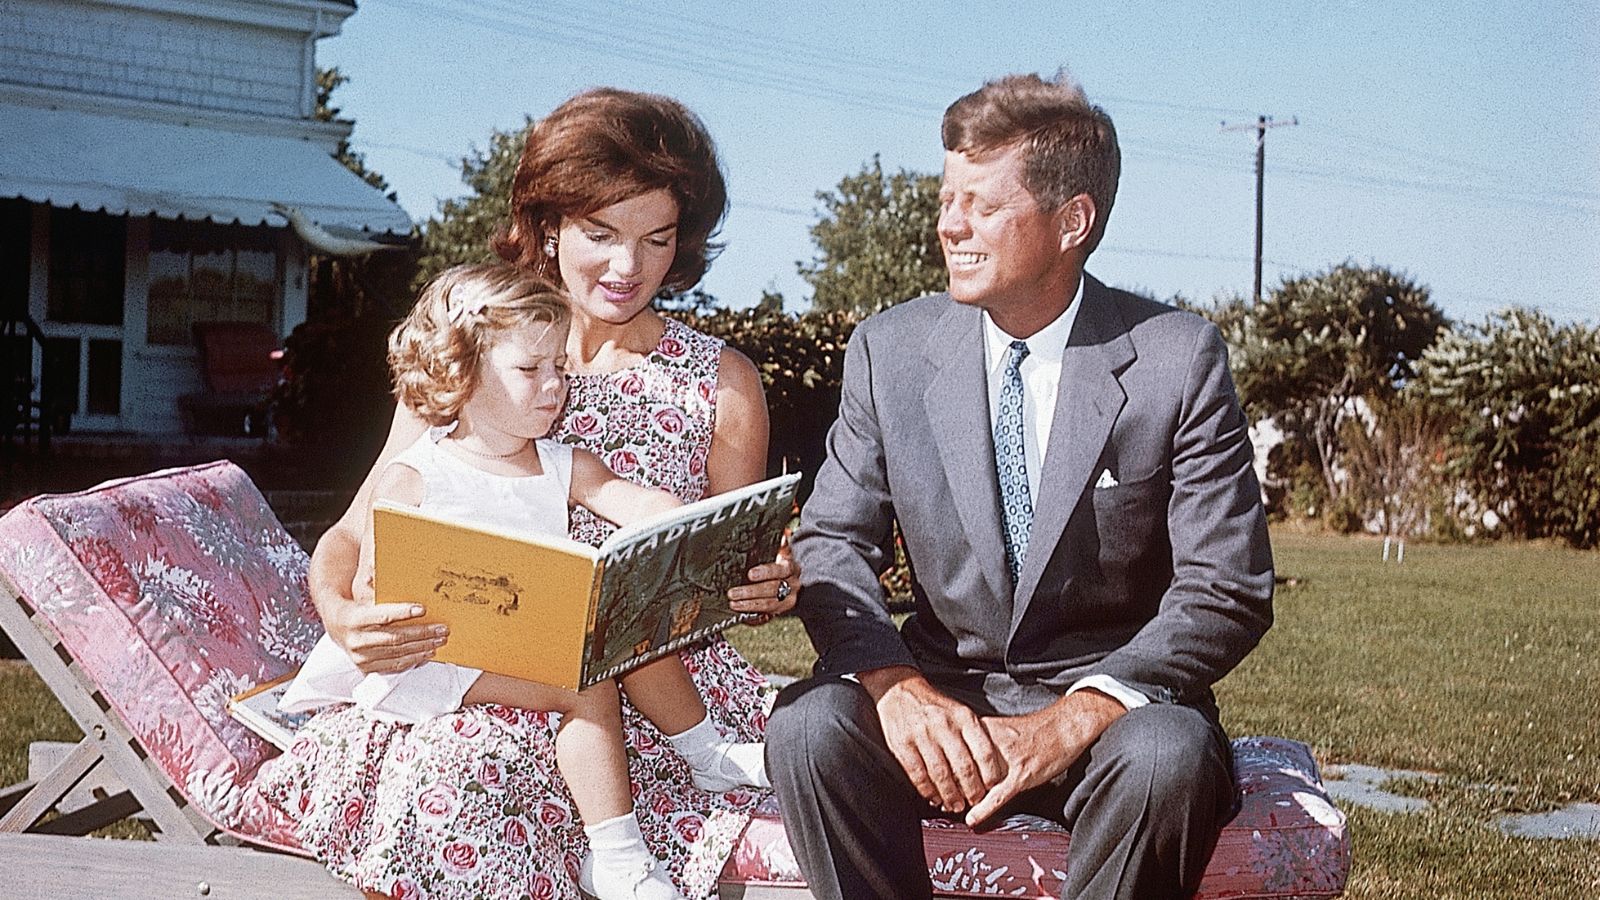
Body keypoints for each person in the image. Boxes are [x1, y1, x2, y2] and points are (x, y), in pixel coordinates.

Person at [252, 89, 796, 900]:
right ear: (549, 227)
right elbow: (353, 534)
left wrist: (767, 586)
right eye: (601, 234)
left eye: (656, 239)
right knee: (456, 774)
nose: (628, 267)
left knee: (500, 766)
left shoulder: (721, 382)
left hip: (660, 697)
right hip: (478, 677)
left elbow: (727, 566)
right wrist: (341, 614)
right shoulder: (471, 358)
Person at [766, 73, 1275, 900]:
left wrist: (1074, 718)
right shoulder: (888, 351)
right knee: (810, 726)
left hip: (1111, 716)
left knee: (1166, 756)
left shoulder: (1177, 359)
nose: (948, 225)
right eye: (946, 199)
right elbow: (830, 543)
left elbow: (1227, 587)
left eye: (981, 204)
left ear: (1073, 221)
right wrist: (897, 688)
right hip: (944, 702)